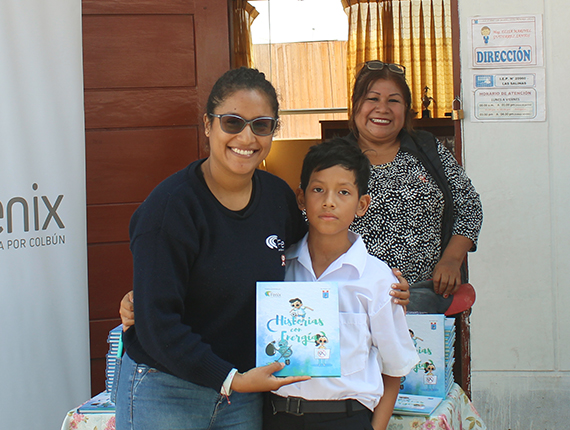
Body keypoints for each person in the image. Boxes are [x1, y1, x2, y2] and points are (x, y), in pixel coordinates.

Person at [114, 67, 410, 430]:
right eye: (232, 122)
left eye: (261, 125)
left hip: (246, 394)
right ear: (208, 125)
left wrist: (382, 285)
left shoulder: (277, 199)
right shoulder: (171, 209)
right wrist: (142, 302)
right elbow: (158, 322)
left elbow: (313, 253)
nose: (246, 136)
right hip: (171, 389)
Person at [263, 137, 419, 430]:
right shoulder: (278, 267)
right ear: (301, 198)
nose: (329, 201)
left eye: (343, 192)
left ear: (362, 204)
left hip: (347, 418)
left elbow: (394, 369)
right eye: (318, 189)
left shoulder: (378, 280)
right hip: (278, 416)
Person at [346, 60, 483, 312]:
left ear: (406, 109)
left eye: (394, 101)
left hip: (427, 296)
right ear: (355, 105)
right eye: (373, 99)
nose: (383, 109)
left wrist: (452, 260)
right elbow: (311, 220)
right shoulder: (334, 158)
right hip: (355, 300)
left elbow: (469, 206)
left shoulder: (427, 149)